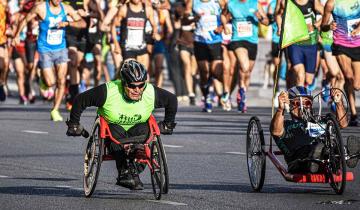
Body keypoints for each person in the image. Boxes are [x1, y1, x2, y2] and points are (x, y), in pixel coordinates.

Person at [66, 59, 177, 190]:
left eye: (141, 85)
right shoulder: (108, 91)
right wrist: (74, 124)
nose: (137, 90)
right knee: (114, 133)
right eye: (132, 86)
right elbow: (80, 100)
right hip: (113, 128)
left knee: (146, 135)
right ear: (123, 83)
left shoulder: (150, 92)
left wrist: (168, 124)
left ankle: (133, 167)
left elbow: (171, 100)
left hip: (139, 128)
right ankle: (125, 172)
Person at [13, 0, 86, 121]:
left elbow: (82, 23)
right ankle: (43, 78)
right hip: (44, 49)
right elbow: (25, 20)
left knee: (61, 80)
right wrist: (16, 35)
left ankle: (55, 110)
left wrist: (68, 23)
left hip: (61, 48)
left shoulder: (66, 8)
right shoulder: (41, 8)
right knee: (51, 82)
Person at [270, 86, 356, 173]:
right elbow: (276, 131)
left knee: (330, 145)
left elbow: (343, 124)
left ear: (311, 105)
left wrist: (338, 102)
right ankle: (316, 157)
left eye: (307, 103)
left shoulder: (319, 121)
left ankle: (344, 153)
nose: (303, 106)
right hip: (299, 161)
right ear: (290, 105)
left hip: (327, 157)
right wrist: (280, 109)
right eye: (297, 103)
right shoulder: (285, 124)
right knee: (313, 148)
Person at [222, 0, 269, 113]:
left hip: (252, 41)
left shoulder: (255, 4)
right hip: (237, 40)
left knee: (247, 71)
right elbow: (223, 16)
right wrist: (224, 25)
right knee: (244, 66)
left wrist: (260, 18)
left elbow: (267, 22)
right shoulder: (231, 4)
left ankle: (241, 94)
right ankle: (241, 92)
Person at [321, 0, 360, 126]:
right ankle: (353, 114)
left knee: (357, 85)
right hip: (340, 44)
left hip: (357, 44)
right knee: (348, 77)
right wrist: (329, 26)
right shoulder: (331, 3)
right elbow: (322, 26)